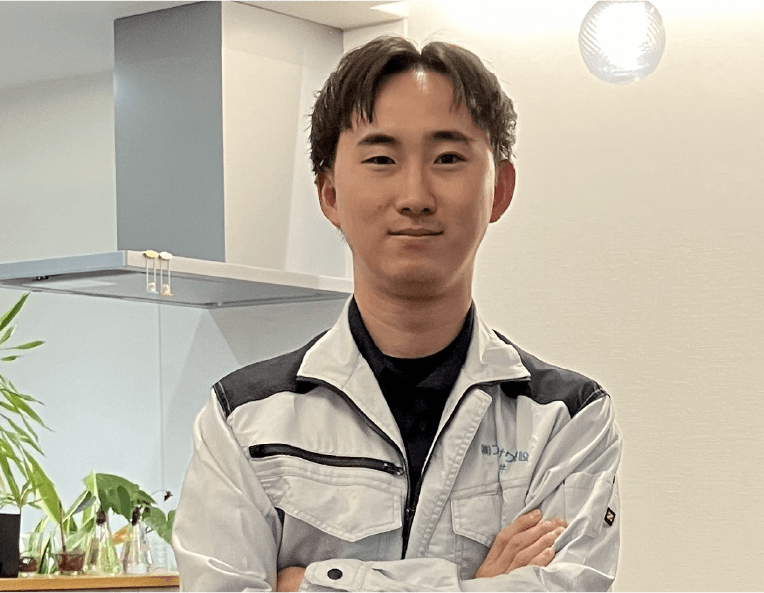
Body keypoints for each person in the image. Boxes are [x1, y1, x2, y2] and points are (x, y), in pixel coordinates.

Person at [172, 36, 622, 593]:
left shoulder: (566, 418)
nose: (415, 195)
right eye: (382, 159)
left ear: (500, 189)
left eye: (448, 158)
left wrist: (308, 583)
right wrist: (479, 583)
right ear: (330, 194)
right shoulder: (244, 420)